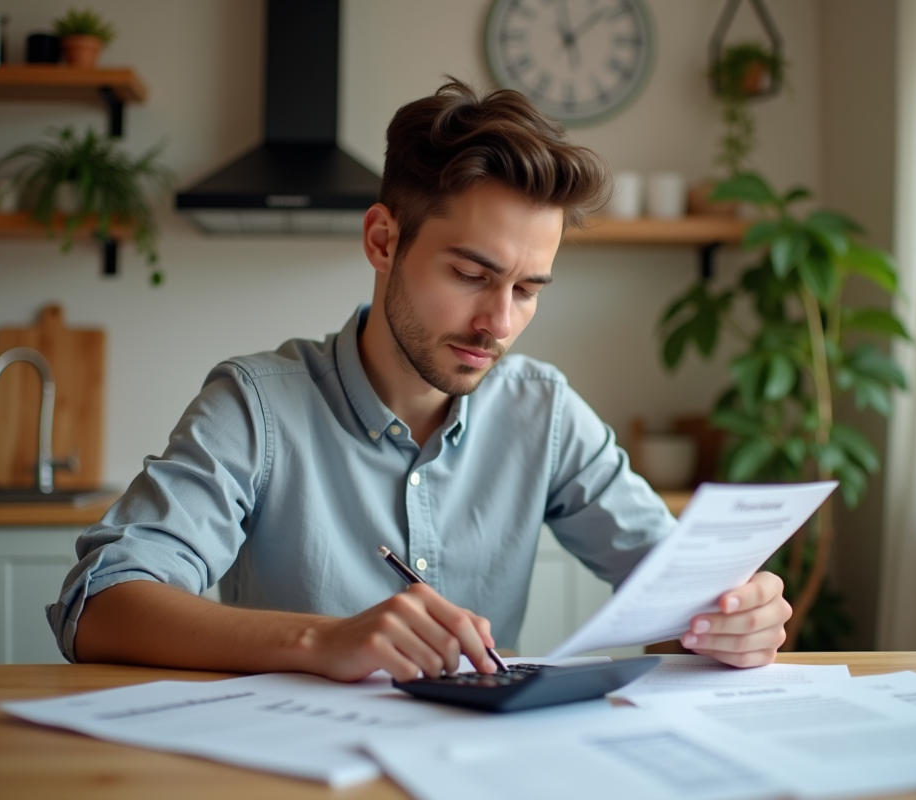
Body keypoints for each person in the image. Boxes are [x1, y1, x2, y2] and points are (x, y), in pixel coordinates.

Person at [49, 79, 791, 682]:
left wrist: (730, 616)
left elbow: (678, 593)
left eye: (527, 290)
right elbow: (99, 605)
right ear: (383, 240)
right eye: (471, 274)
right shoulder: (256, 407)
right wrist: (322, 641)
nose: (498, 322)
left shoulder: (544, 411)